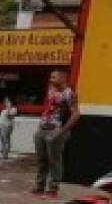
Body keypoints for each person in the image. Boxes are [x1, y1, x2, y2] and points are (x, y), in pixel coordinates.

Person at [33, 69, 80, 197]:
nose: (51, 79)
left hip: (56, 130)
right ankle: (39, 187)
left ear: (63, 77)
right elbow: (47, 109)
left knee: (54, 160)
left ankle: (52, 189)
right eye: (50, 77)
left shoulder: (69, 93)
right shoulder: (51, 90)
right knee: (41, 160)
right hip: (42, 129)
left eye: (54, 77)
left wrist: (61, 132)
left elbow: (76, 114)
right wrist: (39, 127)